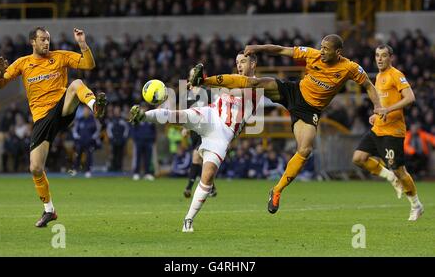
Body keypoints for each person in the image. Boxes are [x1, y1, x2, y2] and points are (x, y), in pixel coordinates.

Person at [189, 34, 383, 214]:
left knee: (305, 150)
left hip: (309, 111)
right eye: (321, 47)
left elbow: (368, 86)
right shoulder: (313, 55)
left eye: (326, 49)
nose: (321, 51)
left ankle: (277, 190)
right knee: (255, 83)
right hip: (293, 91)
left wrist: (378, 108)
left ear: (338, 52)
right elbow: (282, 50)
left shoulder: (350, 68)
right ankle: (204, 79)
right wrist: (258, 47)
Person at [128, 52, 261, 232]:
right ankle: (143, 116)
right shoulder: (231, 79)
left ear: (253, 64)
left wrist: (204, 80)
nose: (239, 65)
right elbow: (223, 87)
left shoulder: (258, 85)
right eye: (237, 61)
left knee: (207, 176)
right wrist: (200, 82)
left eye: (243, 61)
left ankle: (188, 220)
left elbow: (238, 88)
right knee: (181, 115)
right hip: (211, 114)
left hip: (223, 133)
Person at [0, 26, 107, 227]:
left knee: (76, 83)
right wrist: (0, 73)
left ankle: (94, 106)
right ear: (33, 42)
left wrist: (82, 43)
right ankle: (49, 211)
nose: (47, 42)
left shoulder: (60, 56)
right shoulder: (23, 63)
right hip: (42, 119)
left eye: (48, 39)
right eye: (42, 39)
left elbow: (89, 65)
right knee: (36, 168)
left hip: (62, 107)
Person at [352, 45, 424, 221]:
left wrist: (387, 110)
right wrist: (375, 114)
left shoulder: (396, 75)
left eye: (383, 56)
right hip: (378, 128)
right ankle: (389, 176)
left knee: (400, 171)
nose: (379, 59)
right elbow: (381, 103)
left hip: (393, 132)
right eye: (377, 55)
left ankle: (416, 205)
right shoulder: (378, 76)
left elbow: (410, 98)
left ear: (390, 57)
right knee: (358, 158)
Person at [72, 106, 101, 178]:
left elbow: (98, 130)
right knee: (78, 155)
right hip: (80, 141)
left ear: (89, 111)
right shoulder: (80, 119)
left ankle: (88, 171)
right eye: (84, 110)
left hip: (89, 142)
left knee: (89, 156)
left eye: (87, 110)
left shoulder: (93, 120)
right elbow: (75, 130)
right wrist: (78, 137)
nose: (86, 111)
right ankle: (75, 170)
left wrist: (92, 138)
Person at [107, 105, 130, 172]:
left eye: (118, 110)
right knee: (113, 154)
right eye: (115, 110)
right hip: (113, 139)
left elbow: (126, 129)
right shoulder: (111, 120)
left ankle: (119, 168)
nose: (117, 112)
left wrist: (124, 137)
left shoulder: (122, 119)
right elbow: (109, 129)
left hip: (121, 140)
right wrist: (111, 137)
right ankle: (113, 167)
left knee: (120, 154)